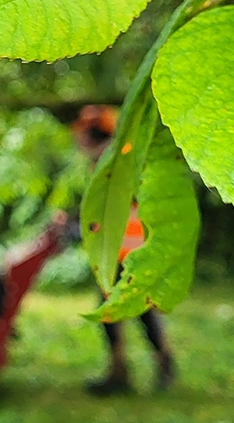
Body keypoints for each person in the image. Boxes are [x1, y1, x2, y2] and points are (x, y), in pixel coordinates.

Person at [71, 105, 176, 396]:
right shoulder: (109, 159)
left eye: (82, 135)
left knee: (140, 311)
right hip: (115, 251)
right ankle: (122, 370)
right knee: (113, 313)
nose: (78, 141)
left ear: (95, 135)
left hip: (131, 250)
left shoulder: (119, 158)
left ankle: (159, 364)